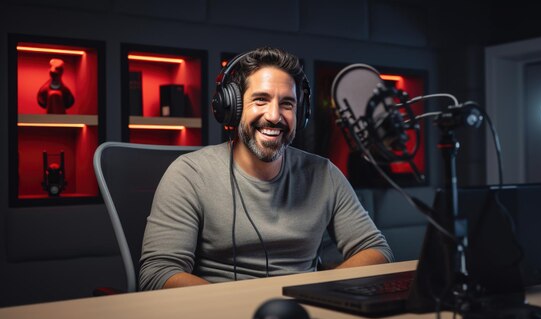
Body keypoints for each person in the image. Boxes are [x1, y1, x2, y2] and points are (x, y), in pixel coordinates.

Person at [139, 47, 393, 290]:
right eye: (261, 100)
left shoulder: (324, 174)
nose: (274, 115)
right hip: (221, 316)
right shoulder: (189, 175)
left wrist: (322, 292)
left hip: (304, 316)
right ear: (232, 107)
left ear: (301, 112)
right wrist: (246, 304)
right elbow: (158, 273)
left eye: (287, 104)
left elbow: (376, 250)